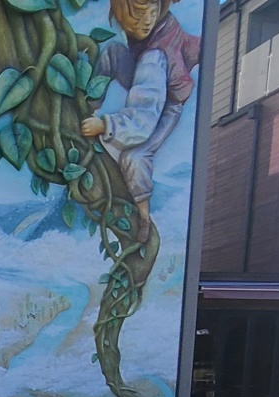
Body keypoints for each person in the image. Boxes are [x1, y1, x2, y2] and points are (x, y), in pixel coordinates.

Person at [80, 0, 201, 246]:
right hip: (146, 76)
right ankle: (87, 105)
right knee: (113, 54)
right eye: (138, 16)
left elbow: (143, 120)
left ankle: (144, 217)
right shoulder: (152, 34)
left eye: (152, 14)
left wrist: (106, 125)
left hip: (166, 104)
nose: (146, 22)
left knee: (135, 157)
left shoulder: (154, 58)